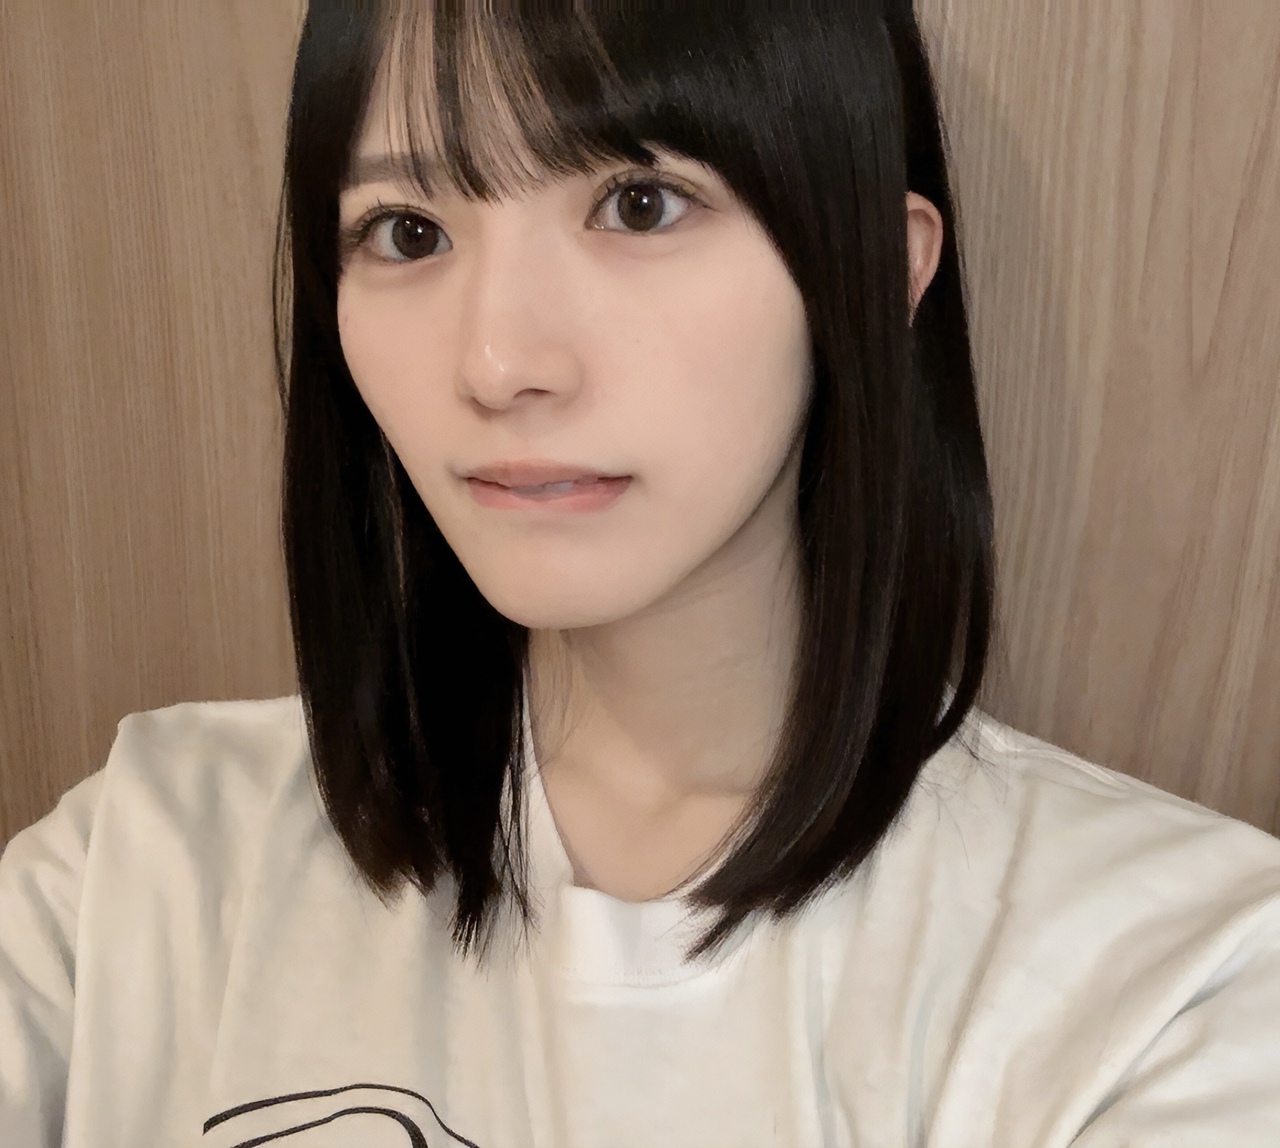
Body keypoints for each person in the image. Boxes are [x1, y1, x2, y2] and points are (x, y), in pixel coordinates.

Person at [3, 2, 1279, 1145]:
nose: (499, 363)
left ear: (876, 263)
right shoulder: (138, 872)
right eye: (408, 230)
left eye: (638, 204)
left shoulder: (1173, 984)